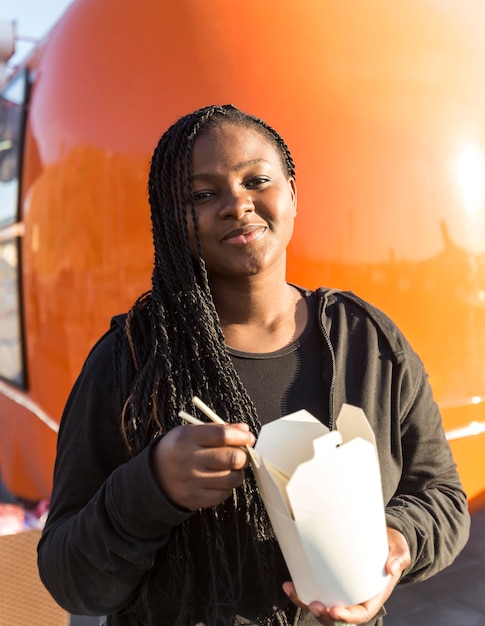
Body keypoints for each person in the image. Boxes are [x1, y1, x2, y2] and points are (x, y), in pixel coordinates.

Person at [38, 104, 470, 626]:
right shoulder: (129, 360)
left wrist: (392, 547)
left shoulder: (368, 341)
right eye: (203, 194)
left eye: (256, 180)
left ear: (292, 193)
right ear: (174, 219)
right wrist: (152, 487)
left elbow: (441, 497)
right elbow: (69, 578)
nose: (236, 204)